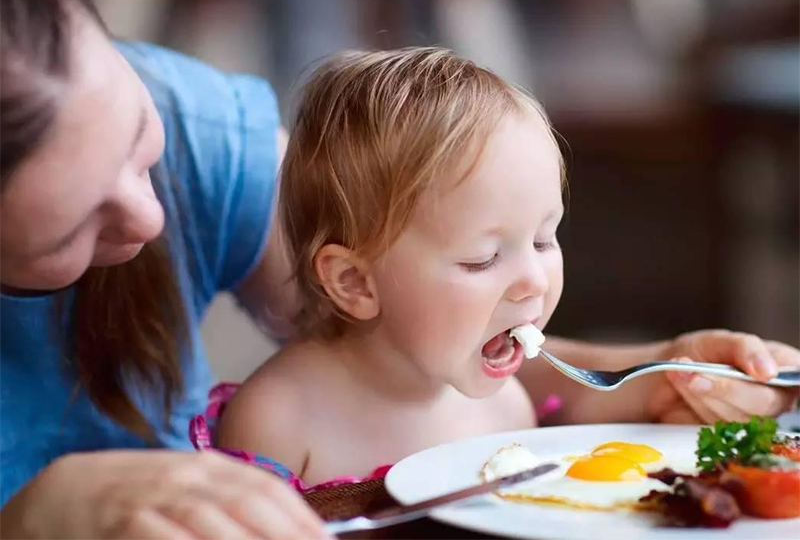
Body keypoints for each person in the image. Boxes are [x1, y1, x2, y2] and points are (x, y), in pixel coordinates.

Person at [211, 48, 800, 487]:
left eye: (545, 239)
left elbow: (623, 407)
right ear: (355, 282)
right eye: (483, 258)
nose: (534, 281)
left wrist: (716, 374)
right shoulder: (279, 421)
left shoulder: (503, 400)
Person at [0, 0, 327, 538]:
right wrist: (25, 519)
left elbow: (404, 342)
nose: (149, 219)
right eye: (69, 233)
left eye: (139, 133)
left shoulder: (198, 127)